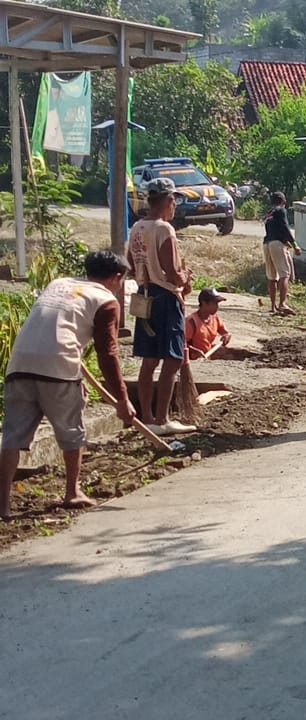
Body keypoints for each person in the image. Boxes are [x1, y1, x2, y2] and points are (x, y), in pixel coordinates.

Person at [0, 251, 135, 519]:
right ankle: (72, 492)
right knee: (71, 432)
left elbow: (55, 326)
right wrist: (122, 399)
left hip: (20, 363)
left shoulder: (58, 284)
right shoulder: (106, 300)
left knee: (12, 437)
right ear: (117, 277)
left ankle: (2, 504)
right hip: (59, 366)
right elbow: (107, 353)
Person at [127, 177, 196, 436]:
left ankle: (146, 416)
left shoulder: (137, 228)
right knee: (173, 358)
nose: (175, 205)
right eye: (174, 201)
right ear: (168, 201)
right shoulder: (164, 230)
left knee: (149, 360)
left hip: (145, 296)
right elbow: (172, 274)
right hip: (166, 299)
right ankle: (163, 418)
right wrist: (186, 277)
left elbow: (131, 265)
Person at [263, 191, 301, 316]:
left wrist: (285, 242)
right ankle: (282, 304)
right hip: (277, 245)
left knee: (272, 277)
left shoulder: (269, 213)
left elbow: (275, 230)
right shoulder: (281, 211)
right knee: (285, 274)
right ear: (283, 202)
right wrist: (295, 244)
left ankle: (273, 306)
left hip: (267, 244)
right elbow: (284, 227)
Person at [185, 288, 233, 360]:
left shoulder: (215, 319)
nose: (217, 307)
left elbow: (225, 332)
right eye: (214, 303)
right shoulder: (191, 322)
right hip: (191, 360)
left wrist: (227, 336)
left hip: (206, 358)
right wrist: (193, 350)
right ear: (204, 303)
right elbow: (180, 344)